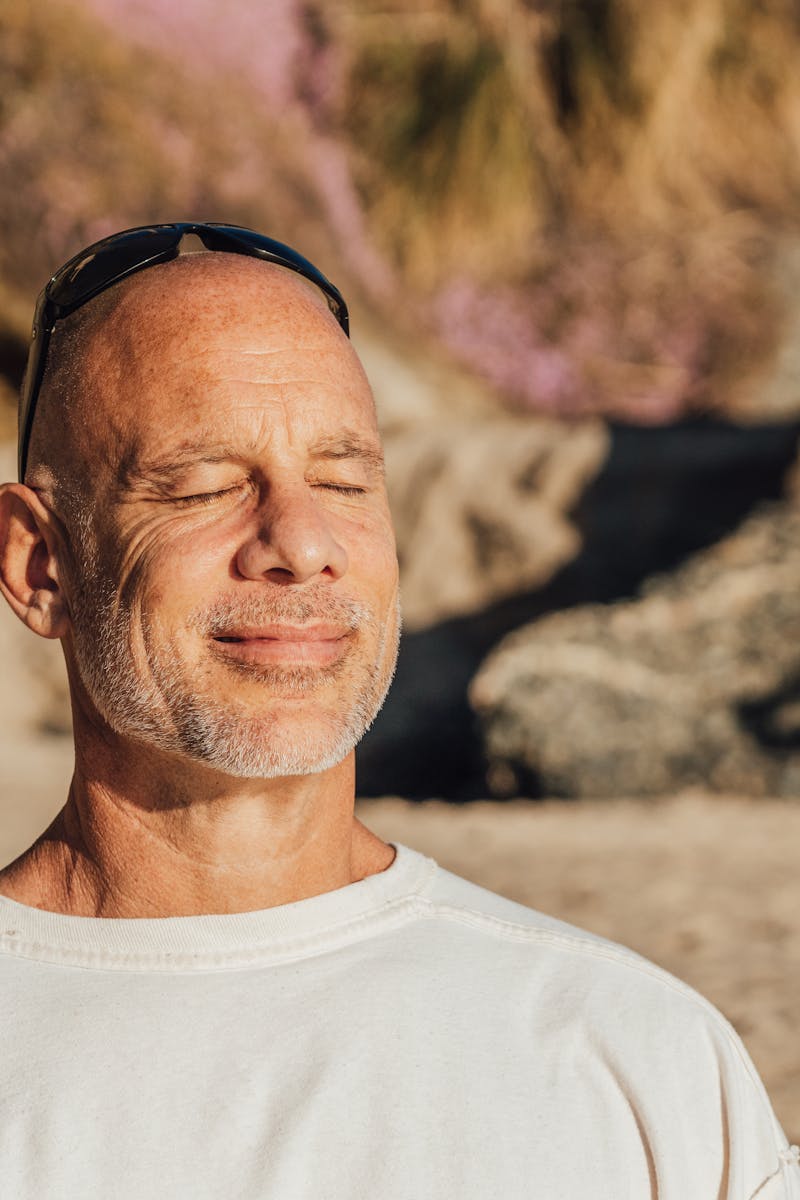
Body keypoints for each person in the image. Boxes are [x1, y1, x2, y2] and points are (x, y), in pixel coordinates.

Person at [0, 222, 796, 1200]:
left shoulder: (634, 1055)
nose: (302, 543)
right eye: (203, 486)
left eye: (343, 481)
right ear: (41, 565)